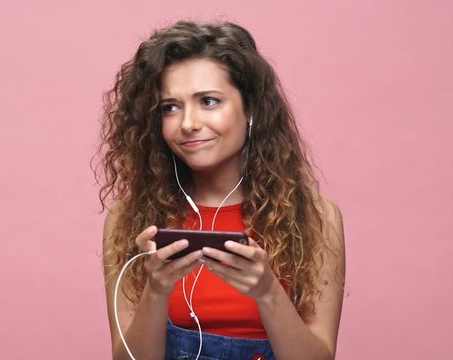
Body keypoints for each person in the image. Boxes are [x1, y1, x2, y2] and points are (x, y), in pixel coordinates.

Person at [93, 20, 346, 360]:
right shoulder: (128, 219)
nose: (187, 123)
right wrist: (156, 289)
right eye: (170, 107)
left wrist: (267, 291)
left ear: (251, 108)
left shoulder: (315, 217)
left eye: (208, 101)